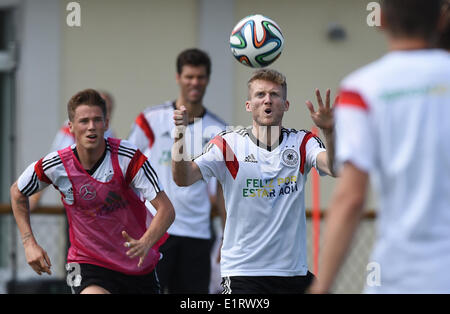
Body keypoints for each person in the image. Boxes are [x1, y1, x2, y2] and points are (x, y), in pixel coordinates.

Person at [309, 0, 450, 294]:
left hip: (399, 276)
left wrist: (321, 288)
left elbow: (351, 198)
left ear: (381, 19)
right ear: (440, 19)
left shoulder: (361, 89)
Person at [171, 68, 336, 294]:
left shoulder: (302, 142)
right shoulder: (228, 146)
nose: (267, 100)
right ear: (249, 105)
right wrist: (179, 134)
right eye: (260, 94)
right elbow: (183, 178)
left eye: (275, 94)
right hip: (244, 274)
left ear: (285, 105)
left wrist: (330, 131)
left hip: (292, 274)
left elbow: (335, 167)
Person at [10, 89, 175, 294]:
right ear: (70, 127)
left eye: (97, 120)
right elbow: (17, 191)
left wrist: (145, 242)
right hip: (86, 263)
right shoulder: (57, 164)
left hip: (136, 265)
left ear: (106, 123)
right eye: (84, 121)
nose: (91, 127)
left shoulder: (128, 157)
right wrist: (28, 243)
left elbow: (166, 210)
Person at [128, 48, 226, 294]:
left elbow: (225, 189)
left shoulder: (219, 130)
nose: (195, 82)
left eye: (200, 77)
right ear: (178, 77)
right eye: (189, 76)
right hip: (155, 231)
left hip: (197, 234)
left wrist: (227, 234)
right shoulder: (151, 119)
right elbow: (126, 169)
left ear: (208, 79)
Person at [28, 90, 116, 211]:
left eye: (108, 109)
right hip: (77, 193)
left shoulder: (110, 133)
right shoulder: (75, 127)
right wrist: (36, 196)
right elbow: (55, 160)